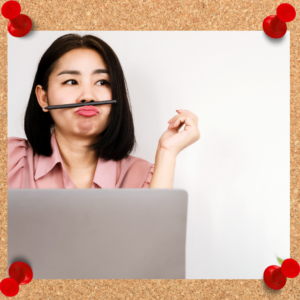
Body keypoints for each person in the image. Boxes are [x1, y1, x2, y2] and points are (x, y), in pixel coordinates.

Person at [8, 33, 200, 189]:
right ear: (43, 98)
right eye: (71, 81)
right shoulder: (10, 159)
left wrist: (167, 152)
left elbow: (157, 236)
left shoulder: (142, 177)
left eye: (101, 82)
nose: (87, 97)